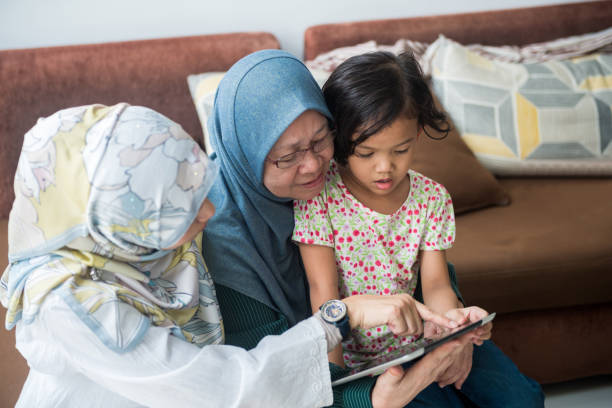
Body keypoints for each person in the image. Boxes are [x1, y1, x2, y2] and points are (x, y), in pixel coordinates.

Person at [1, 102, 466, 408]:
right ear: (121, 220)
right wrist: (340, 318)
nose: (208, 210)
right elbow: (226, 388)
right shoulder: (73, 306)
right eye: (178, 208)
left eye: (200, 188)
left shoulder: (141, 251)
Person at [201, 49, 499, 408]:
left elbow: (419, 269)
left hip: (407, 345)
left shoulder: (350, 183)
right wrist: (360, 397)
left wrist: (455, 336)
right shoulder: (222, 240)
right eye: (288, 155)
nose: (312, 165)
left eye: (320, 141)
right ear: (245, 152)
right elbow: (268, 377)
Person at [293, 51, 544, 407]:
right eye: (366, 153)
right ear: (340, 141)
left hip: (423, 340)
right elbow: (323, 294)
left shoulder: (432, 198)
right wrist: (336, 387)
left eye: (401, 149)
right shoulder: (320, 198)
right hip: (365, 365)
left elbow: (437, 285)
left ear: (417, 133)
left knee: (523, 400)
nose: (385, 167)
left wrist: (455, 326)